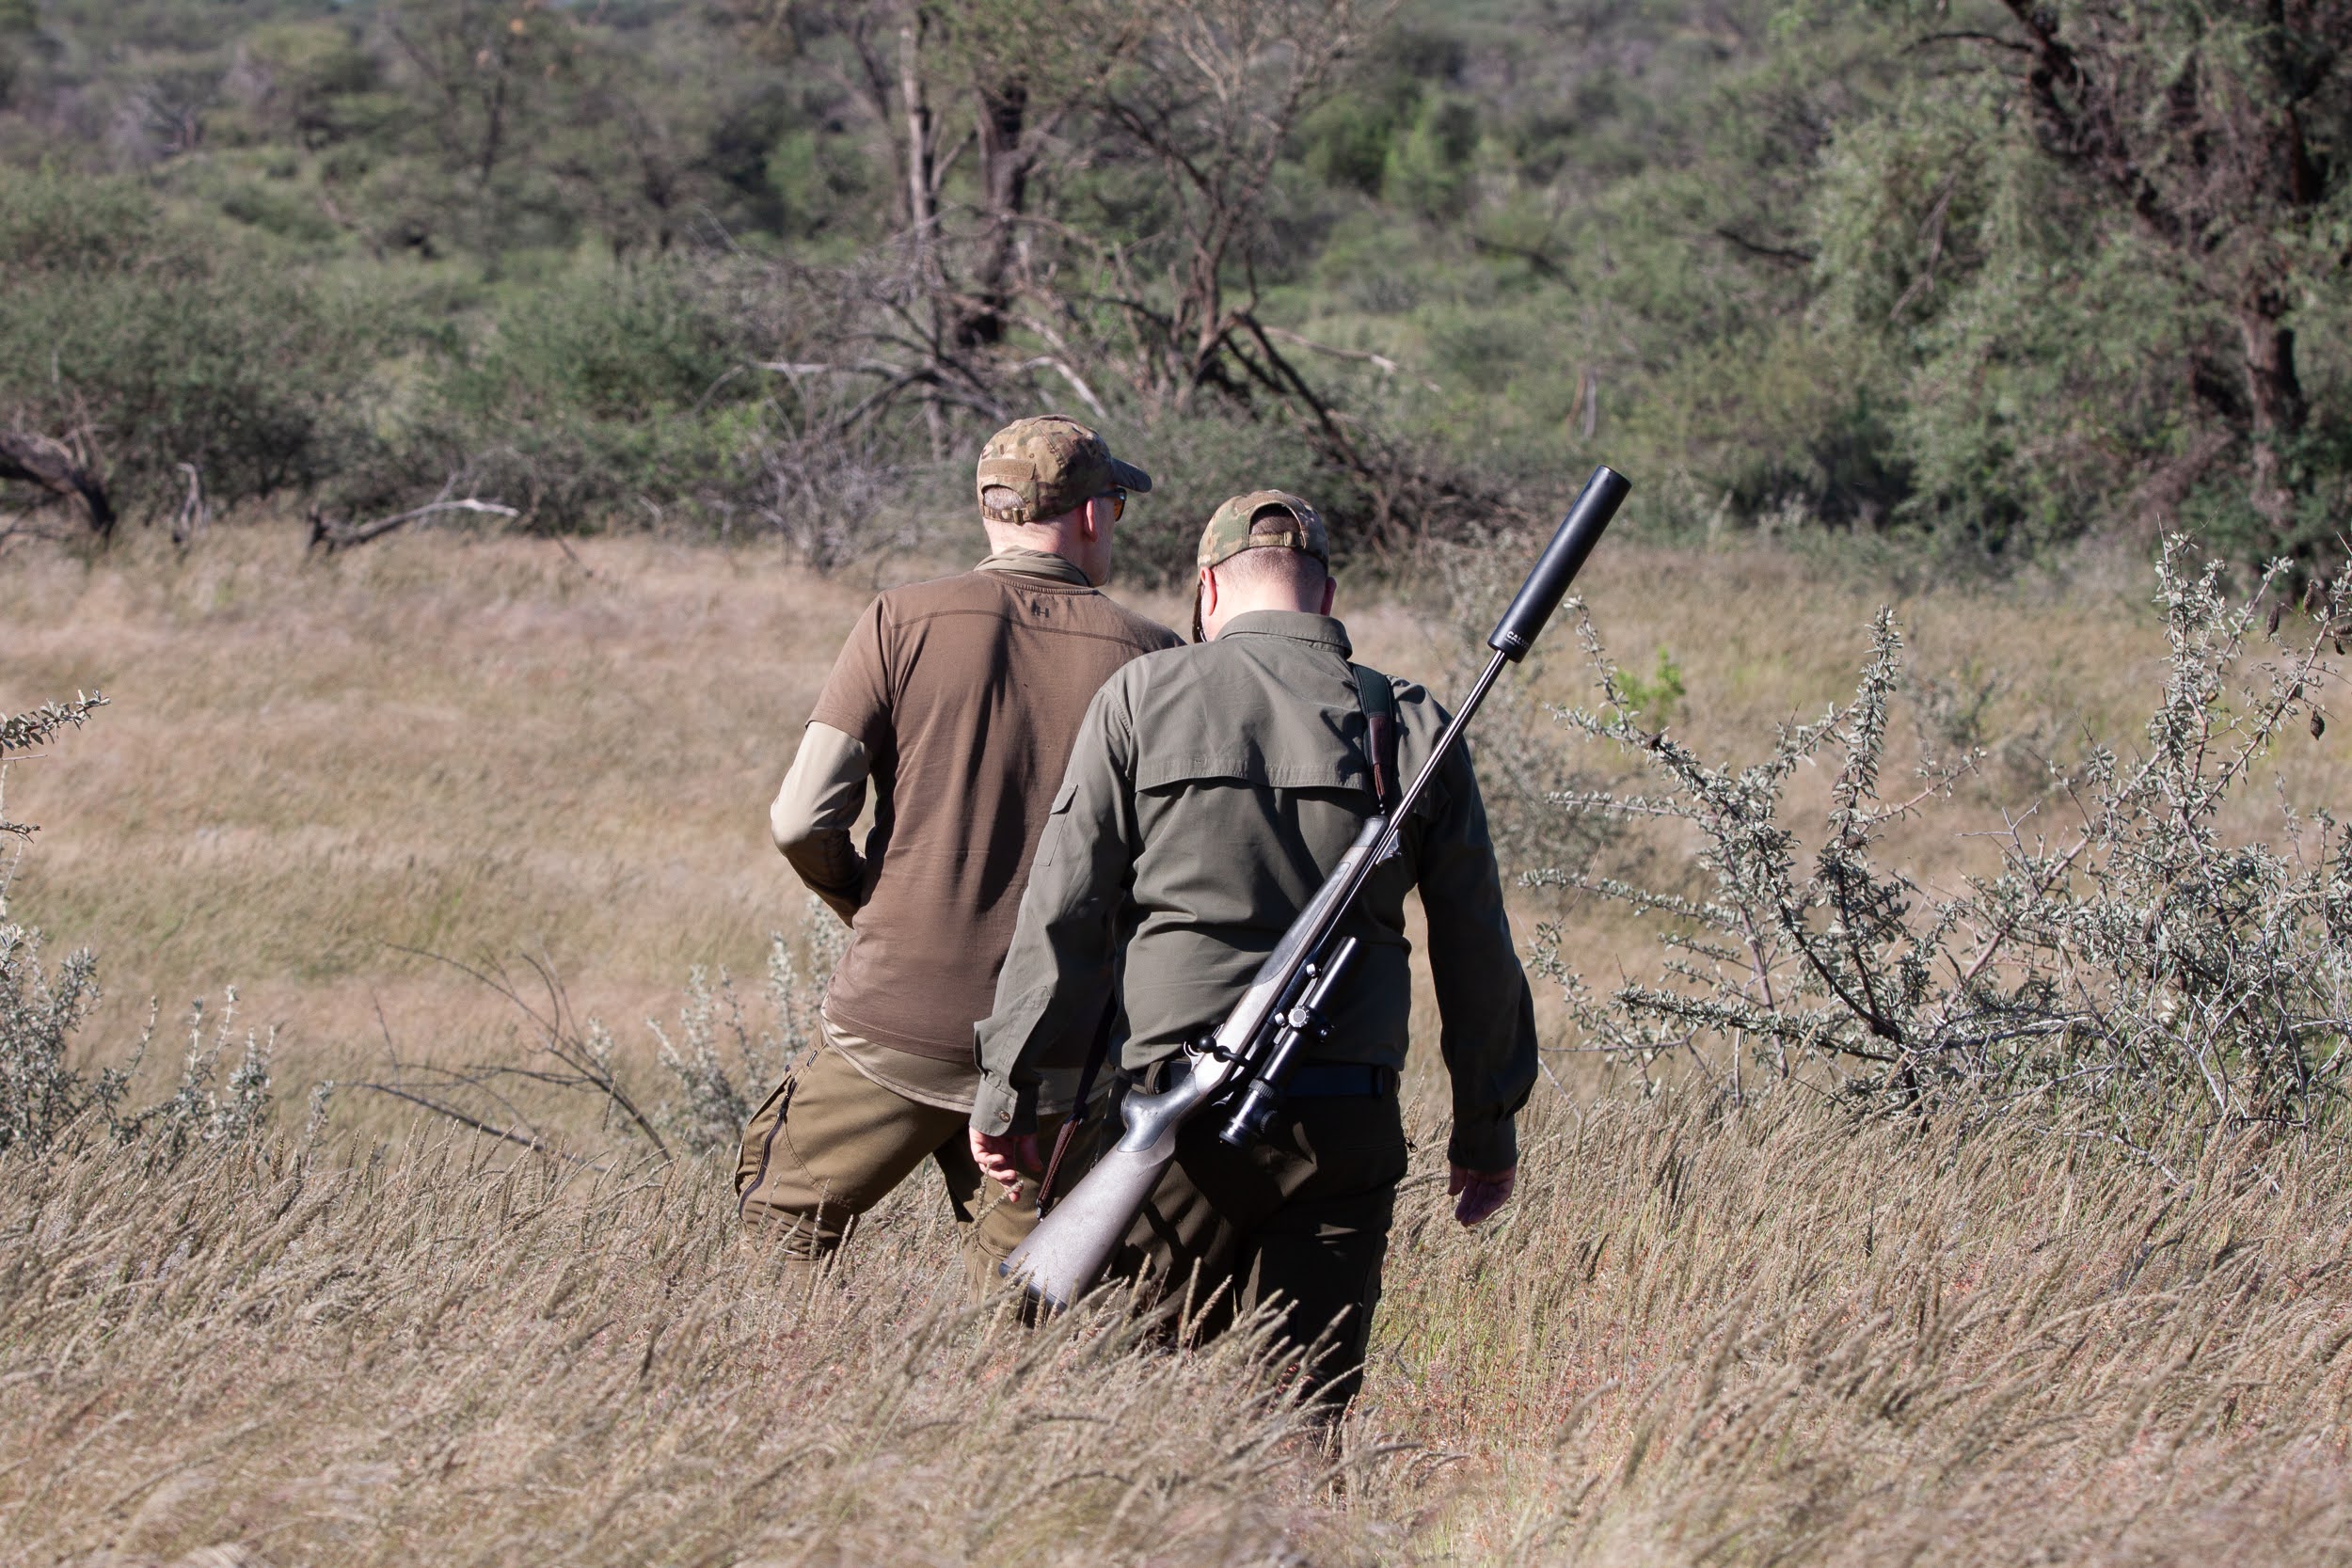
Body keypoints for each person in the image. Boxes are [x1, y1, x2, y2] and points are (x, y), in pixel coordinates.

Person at [968, 491, 1535, 1408]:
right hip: (1343, 1126)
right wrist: (1486, 1123)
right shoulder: (1408, 722)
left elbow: (1063, 915)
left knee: (1103, 1405)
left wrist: (1008, 1091)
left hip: (1174, 1121)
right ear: (1326, 590)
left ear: (1205, 588)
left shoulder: (1143, 696)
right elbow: (1475, 943)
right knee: (1301, 1423)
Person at [737, 415, 1183, 1288]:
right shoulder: (1156, 656)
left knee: (780, 1223)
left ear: (990, 510)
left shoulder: (899, 618)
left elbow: (800, 817)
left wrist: (871, 907)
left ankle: (777, 1406)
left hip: (894, 1014)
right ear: (1093, 515)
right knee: (1026, 1292)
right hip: (1059, 1045)